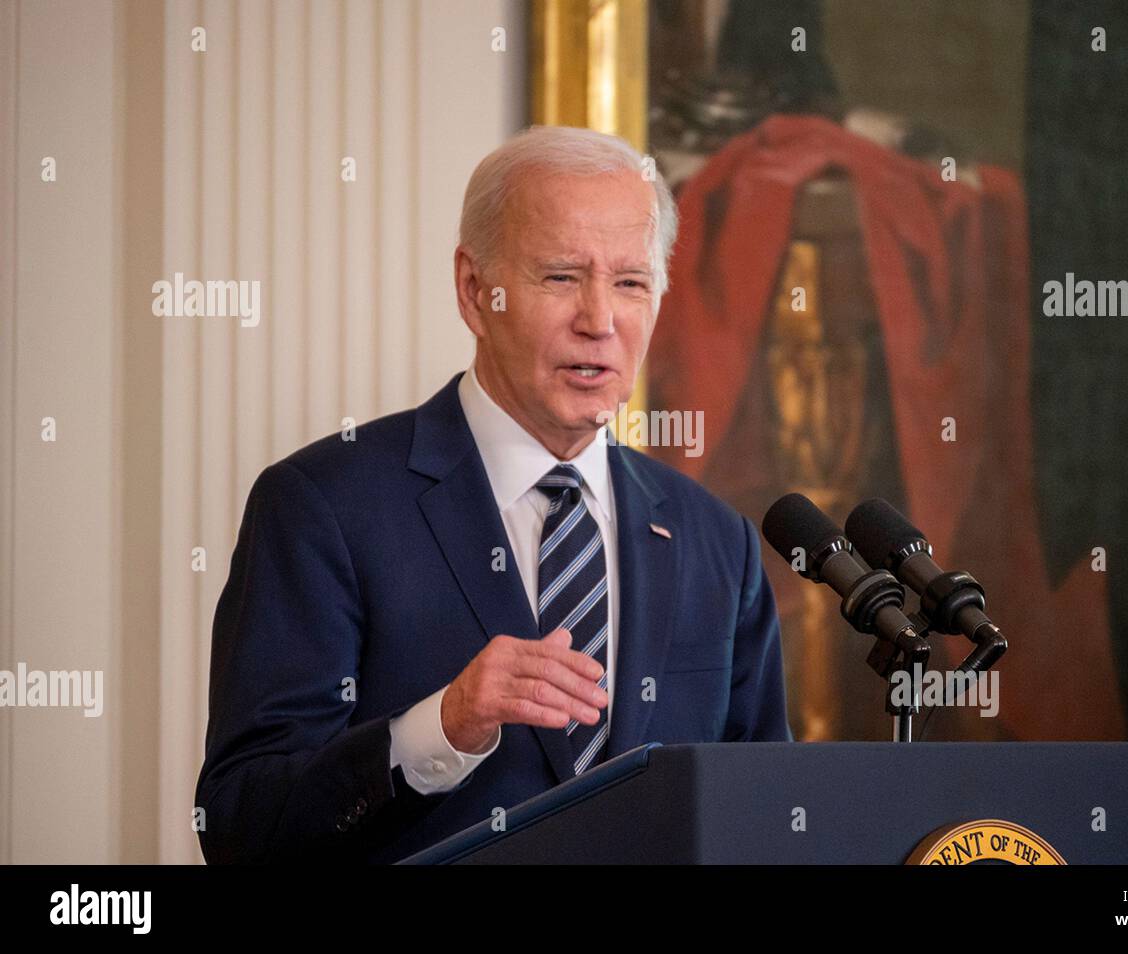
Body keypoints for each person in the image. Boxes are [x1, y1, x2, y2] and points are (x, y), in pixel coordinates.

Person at [195, 124, 792, 864]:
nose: (600, 320)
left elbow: (766, 811)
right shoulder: (324, 507)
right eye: (561, 277)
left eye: (631, 283)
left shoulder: (715, 540)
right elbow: (241, 827)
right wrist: (439, 728)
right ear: (476, 293)